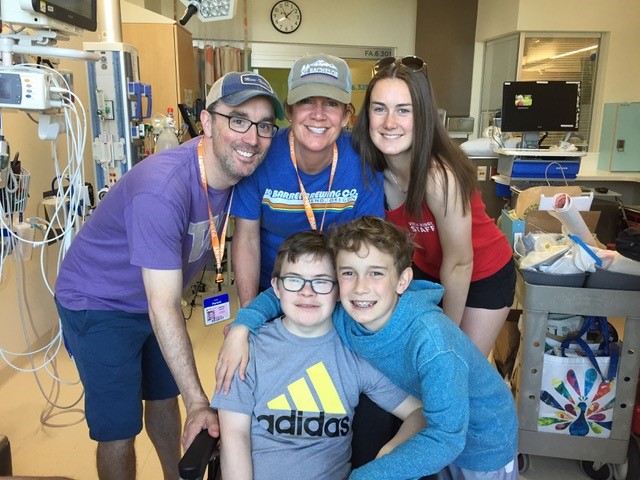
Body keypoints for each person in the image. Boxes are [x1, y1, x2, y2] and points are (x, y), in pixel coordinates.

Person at [54, 71, 284, 480]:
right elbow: (162, 306)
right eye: (238, 119)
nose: (251, 137)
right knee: (120, 428)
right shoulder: (162, 189)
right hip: (99, 303)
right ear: (208, 122)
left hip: (155, 300)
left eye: (264, 124)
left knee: (164, 398)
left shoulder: (237, 174)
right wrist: (200, 402)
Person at [220, 216, 519, 479]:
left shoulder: (432, 341)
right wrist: (244, 324)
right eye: (349, 273)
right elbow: (296, 289)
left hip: (482, 441)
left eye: (375, 273)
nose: (361, 287)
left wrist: (379, 466)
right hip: (431, 435)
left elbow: (445, 437)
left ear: (402, 281)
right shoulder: (346, 316)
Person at [212, 230, 424, 479]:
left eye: (321, 281)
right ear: (276, 288)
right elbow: (234, 437)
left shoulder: (355, 351)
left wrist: (387, 458)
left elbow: (419, 413)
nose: (307, 292)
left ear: (338, 290)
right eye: (294, 280)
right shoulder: (248, 350)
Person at [351, 55, 516, 356]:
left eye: (404, 110)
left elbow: (459, 263)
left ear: (423, 116)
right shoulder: (371, 168)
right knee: (417, 365)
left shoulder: (439, 177)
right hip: (428, 271)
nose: (389, 123)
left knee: (458, 368)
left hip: (481, 273)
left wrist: (446, 337)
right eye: (379, 109)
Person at [230, 53, 384, 308]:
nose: (318, 114)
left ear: (346, 116)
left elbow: (368, 246)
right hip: (272, 291)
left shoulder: (364, 160)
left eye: (331, 103)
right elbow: (246, 239)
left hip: (338, 292)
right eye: (307, 101)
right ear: (289, 111)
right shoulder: (260, 152)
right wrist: (248, 313)